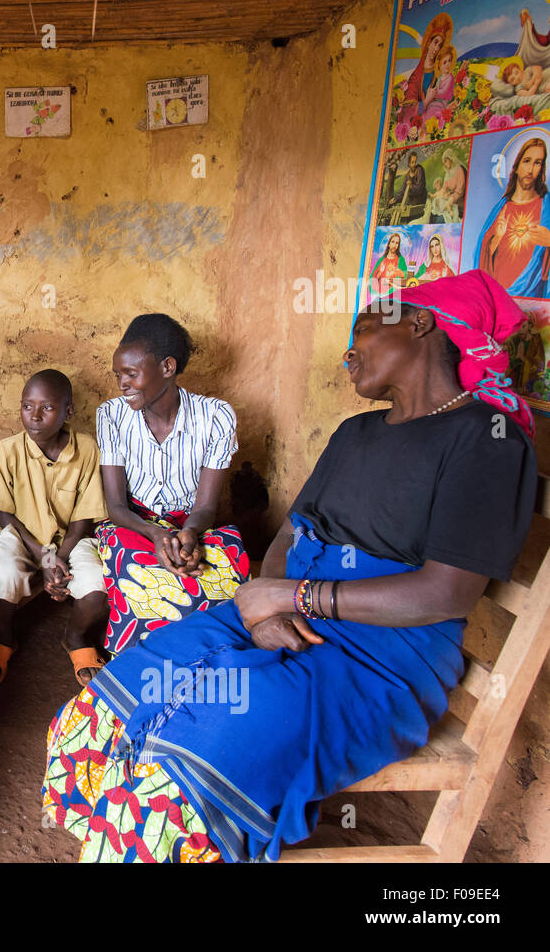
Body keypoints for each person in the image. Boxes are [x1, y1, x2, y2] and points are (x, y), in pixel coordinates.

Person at [43, 270, 536, 863]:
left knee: (191, 751)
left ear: (420, 323)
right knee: (111, 702)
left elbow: (445, 593)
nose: (348, 356)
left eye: (362, 334)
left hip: (378, 652)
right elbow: (292, 531)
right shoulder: (356, 433)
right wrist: (263, 605)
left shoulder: (486, 437)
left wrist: (292, 599)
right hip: (283, 607)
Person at [93, 313, 249, 655]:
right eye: (118, 375)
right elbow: (116, 506)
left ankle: (204, 656)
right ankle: (147, 662)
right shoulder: (111, 415)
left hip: (192, 523)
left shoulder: (216, 417)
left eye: (132, 374)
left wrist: (189, 535)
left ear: (167, 367)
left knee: (221, 565)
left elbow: (206, 506)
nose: (123, 384)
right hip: (134, 525)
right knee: (136, 564)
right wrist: (156, 534)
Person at [0, 369, 109, 687]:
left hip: (71, 541)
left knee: (97, 585)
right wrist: (45, 559)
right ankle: (4, 638)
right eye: (27, 406)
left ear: (68, 411)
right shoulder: (7, 451)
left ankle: (74, 636)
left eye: (47, 407)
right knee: (3, 571)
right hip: (21, 538)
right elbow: (5, 517)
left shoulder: (87, 450)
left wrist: (58, 558)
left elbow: (82, 519)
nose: (34, 416)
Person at [474, 135, 550, 297]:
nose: (530, 170)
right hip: (498, 296)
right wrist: (495, 240)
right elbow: (482, 260)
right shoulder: (501, 209)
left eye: (538, 163)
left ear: (542, 168)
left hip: (533, 296)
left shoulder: (546, 207)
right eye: (527, 161)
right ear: (516, 166)